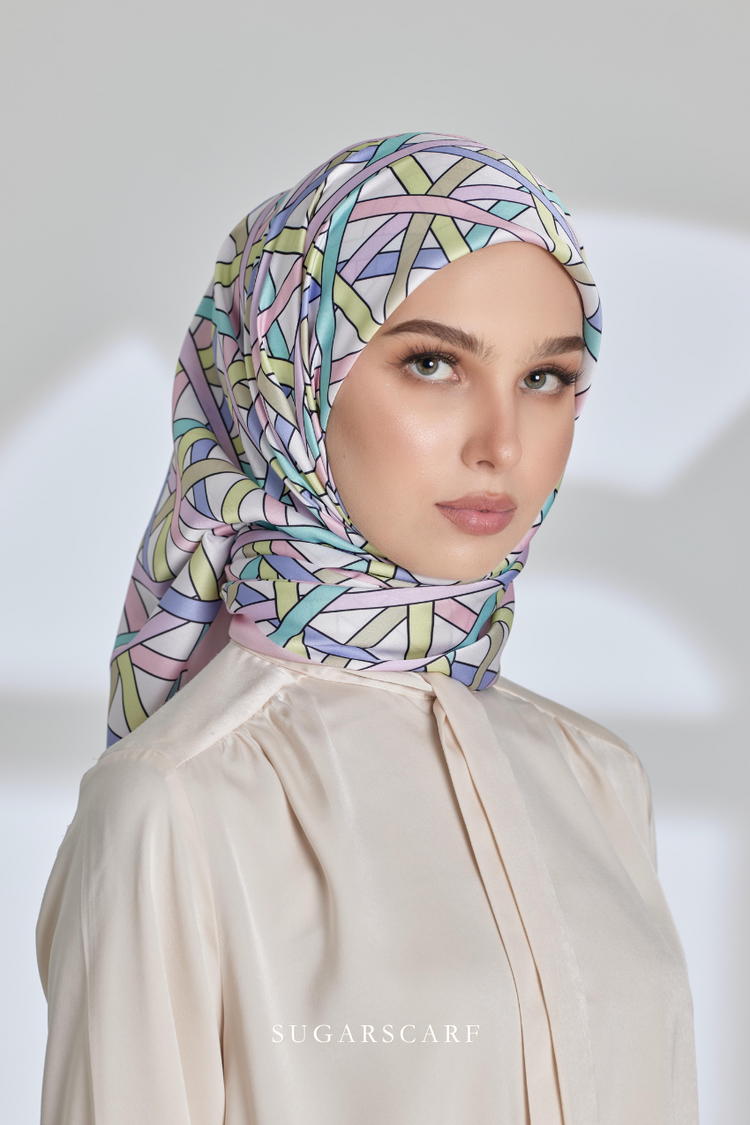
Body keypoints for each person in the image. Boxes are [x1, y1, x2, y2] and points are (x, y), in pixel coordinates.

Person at [36, 132, 698, 1124]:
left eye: (545, 378)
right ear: (292, 380)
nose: (501, 443)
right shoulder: (173, 801)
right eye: (433, 364)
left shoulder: (596, 777)